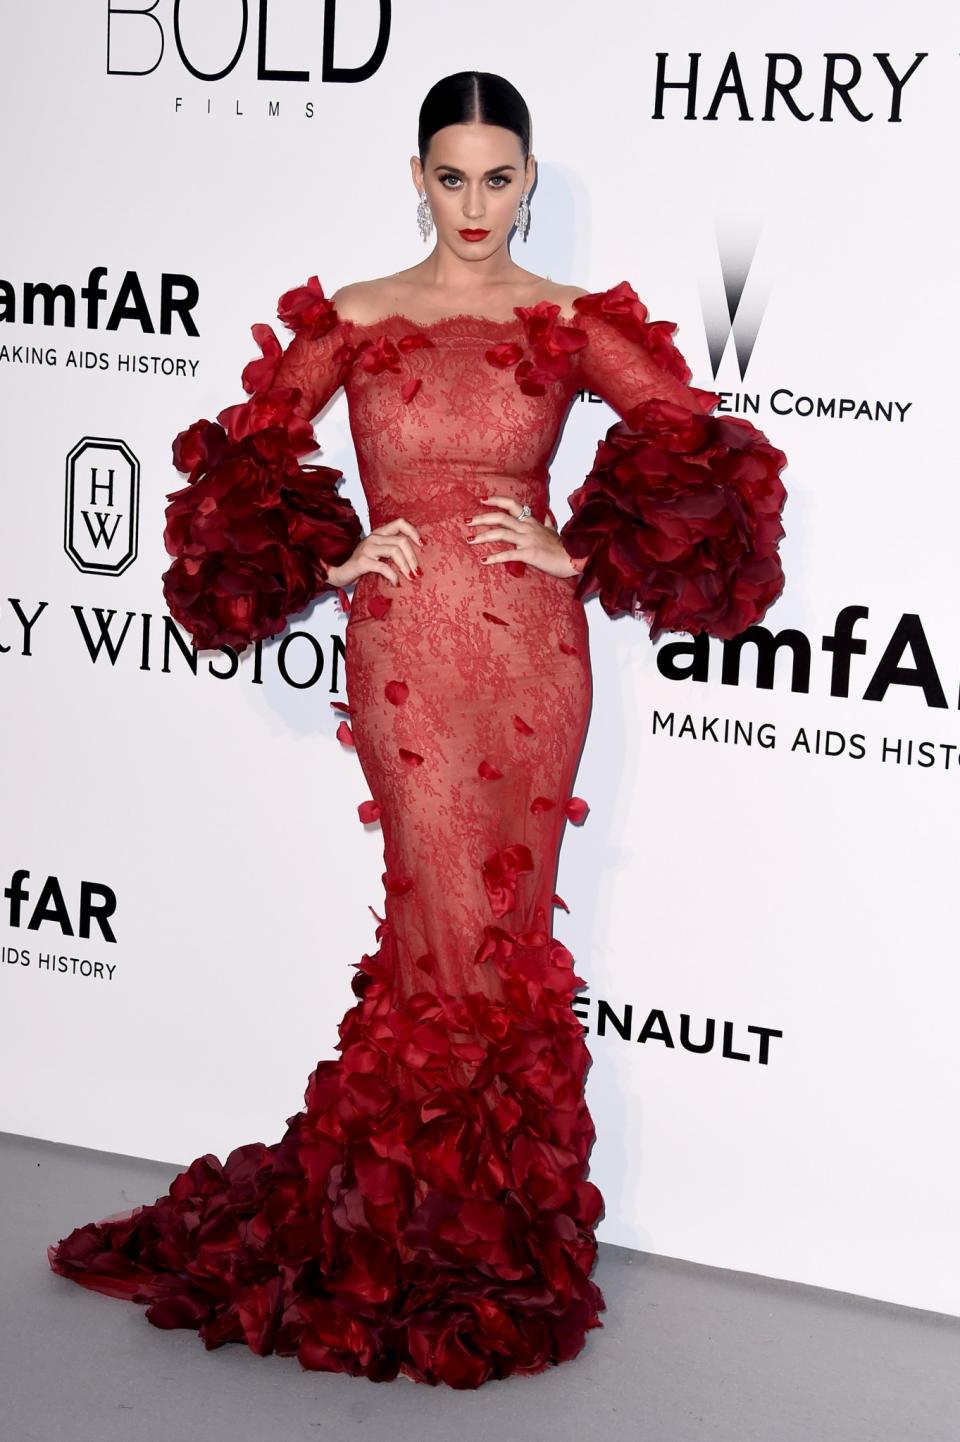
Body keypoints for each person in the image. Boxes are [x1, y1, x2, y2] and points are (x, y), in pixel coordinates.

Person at [47, 71, 788, 1390]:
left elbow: (696, 436)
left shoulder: (564, 321)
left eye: (499, 178)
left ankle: (492, 1239)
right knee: (437, 926)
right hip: (403, 661)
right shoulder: (359, 316)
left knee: (506, 935)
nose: (475, 204)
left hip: (529, 653)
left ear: (530, 182)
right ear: (415, 175)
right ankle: (415, 1236)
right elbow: (243, 452)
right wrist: (331, 558)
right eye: (452, 176)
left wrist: (577, 543)